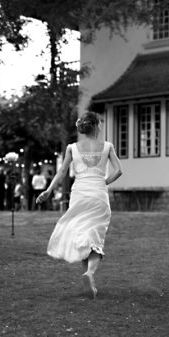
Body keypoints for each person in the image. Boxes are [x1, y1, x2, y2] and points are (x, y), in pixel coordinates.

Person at [37, 111, 123, 299]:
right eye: (99, 123)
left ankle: (88, 281)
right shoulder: (107, 146)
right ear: (95, 126)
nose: (100, 126)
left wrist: (49, 190)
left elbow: (61, 172)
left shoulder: (72, 148)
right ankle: (90, 274)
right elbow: (119, 171)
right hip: (98, 195)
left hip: (80, 194)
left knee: (83, 234)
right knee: (95, 236)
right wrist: (103, 182)